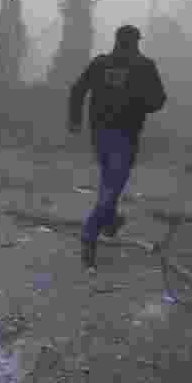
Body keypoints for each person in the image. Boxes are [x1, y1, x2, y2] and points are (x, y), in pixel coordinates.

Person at [68, 24, 166, 273]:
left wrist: (75, 119)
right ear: (135, 43)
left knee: (109, 183)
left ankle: (110, 221)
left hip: (101, 134)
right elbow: (159, 100)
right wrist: (141, 103)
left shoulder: (102, 64)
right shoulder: (143, 66)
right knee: (112, 187)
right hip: (123, 137)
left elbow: (78, 90)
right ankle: (89, 236)